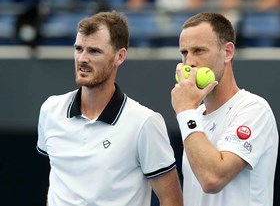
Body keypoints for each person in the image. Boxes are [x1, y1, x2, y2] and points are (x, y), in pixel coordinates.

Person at [36, 11, 183, 206]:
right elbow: (60, 179)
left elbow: (172, 200)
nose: (82, 59)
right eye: (79, 49)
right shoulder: (50, 109)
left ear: (119, 56)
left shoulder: (144, 122)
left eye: (94, 51)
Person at [171, 12, 278, 206]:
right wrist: (189, 112)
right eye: (184, 53)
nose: (189, 63)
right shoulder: (193, 116)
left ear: (227, 52)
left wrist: (185, 110)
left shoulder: (254, 109)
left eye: (199, 51)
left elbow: (212, 179)